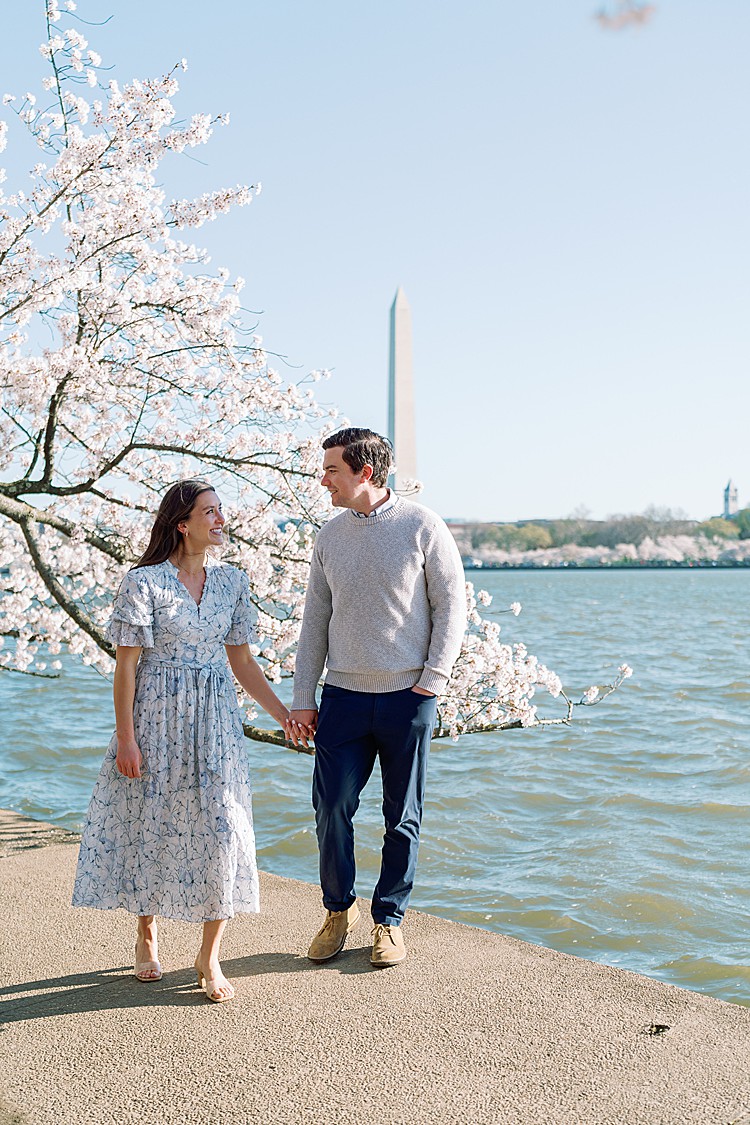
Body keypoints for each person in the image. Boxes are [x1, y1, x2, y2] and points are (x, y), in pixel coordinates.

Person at [72, 479, 290, 1003]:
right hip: (155, 718)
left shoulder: (234, 582)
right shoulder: (143, 583)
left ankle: (208, 954)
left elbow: (241, 661)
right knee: (154, 823)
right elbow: (126, 669)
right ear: (182, 523)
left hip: (215, 723)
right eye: (209, 512)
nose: (220, 520)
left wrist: (283, 714)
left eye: (221, 511)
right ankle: (147, 931)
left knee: (222, 826)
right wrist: (127, 739)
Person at [288, 428, 467, 967]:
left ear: (365, 472)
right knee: (331, 807)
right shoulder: (329, 536)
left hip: (407, 697)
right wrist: (303, 696)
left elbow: (452, 605)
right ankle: (337, 911)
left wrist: (433, 677)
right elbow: (315, 620)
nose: (323, 480)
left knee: (402, 815)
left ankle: (388, 920)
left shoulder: (422, 526)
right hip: (341, 695)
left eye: (332, 471)